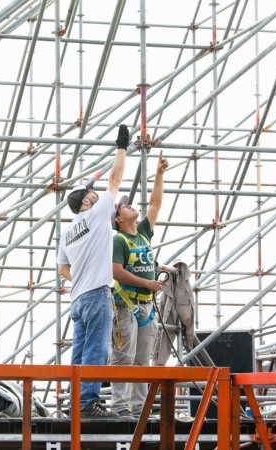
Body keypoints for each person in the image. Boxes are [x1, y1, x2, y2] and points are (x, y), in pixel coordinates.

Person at [57, 124, 129, 418]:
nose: (97, 196)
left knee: (79, 351)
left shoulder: (67, 231)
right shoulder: (98, 214)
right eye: (91, 194)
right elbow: (115, 178)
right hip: (97, 293)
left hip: (78, 297)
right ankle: (88, 403)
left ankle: (77, 402)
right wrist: (122, 147)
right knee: (96, 351)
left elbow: (63, 268)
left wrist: (81, 278)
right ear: (86, 202)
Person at [108, 150, 168, 419]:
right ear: (119, 219)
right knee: (124, 357)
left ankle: (139, 410)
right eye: (124, 206)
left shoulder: (142, 234)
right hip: (127, 303)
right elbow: (116, 272)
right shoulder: (119, 240)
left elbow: (155, 205)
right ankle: (121, 408)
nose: (130, 205)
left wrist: (159, 174)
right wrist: (148, 282)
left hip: (145, 306)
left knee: (143, 360)